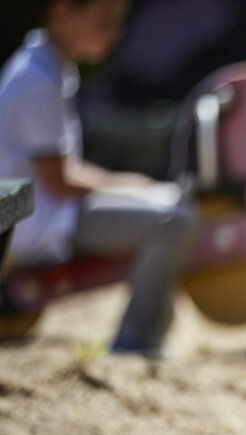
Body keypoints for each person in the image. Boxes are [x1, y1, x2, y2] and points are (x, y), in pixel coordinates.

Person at [0, 0, 197, 355]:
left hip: (46, 209)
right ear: (61, 11)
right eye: (104, 21)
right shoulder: (36, 80)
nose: (115, 33)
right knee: (173, 222)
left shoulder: (51, 68)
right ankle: (135, 341)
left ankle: (153, 326)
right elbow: (59, 182)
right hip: (36, 221)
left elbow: (63, 171)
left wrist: (137, 187)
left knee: (168, 205)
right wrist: (134, 187)